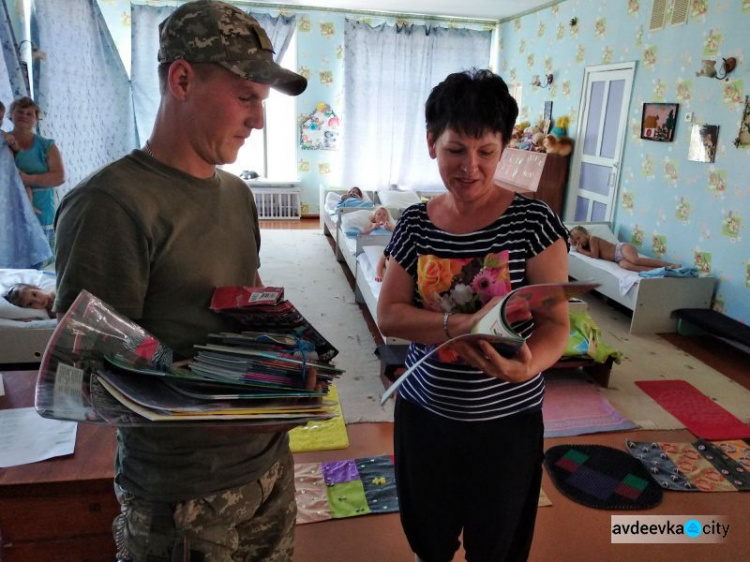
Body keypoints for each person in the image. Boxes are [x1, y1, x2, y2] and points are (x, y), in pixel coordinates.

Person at [53, 1, 307, 560]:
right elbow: (87, 383)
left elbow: (248, 295)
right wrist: (213, 395)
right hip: (183, 496)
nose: (258, 120)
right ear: (182, 79)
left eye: (261, 103)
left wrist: (285, 361)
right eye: (246, 97)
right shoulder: (112, 206)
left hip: (269, 462)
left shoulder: (237, 194)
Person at [377, 69, 570, 562]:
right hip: (425, 417)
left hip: (507, 422)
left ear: (504, 147)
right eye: (455, 150)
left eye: (486, 151)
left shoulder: (534, 222)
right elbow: (390, 315)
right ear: (430, 144)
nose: (471, 168)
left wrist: (527, 366)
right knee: (428, 537)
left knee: (499, 544)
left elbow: (554, 325)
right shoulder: (415, 223)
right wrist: (455, 326)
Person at [5, 96, 65, 249]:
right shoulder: (2, 141)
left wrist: (26, 180)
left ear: (36, 119)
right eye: (20, 111)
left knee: (40, 258)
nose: (24, 115)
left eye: (29, 113)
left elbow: (59, 177)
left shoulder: (46, 145)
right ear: (11, 115)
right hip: (9, 207)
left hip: (41, 208)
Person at [568, 225, 678, 272]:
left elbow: (595, 255)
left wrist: (581, 251)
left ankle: (668, 264)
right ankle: (658, 271)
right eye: (575, 242)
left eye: (578, 238)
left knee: (635, 260)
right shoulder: (587, 248)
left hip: (621, 248)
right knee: (627, 266)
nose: (578, 242)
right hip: (618, 259)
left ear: (586, 234)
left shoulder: (592, 239)